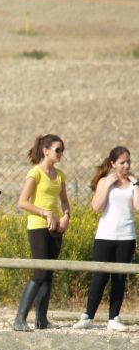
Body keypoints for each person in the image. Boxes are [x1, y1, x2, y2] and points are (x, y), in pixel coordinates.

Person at [72, 146, 138, 331]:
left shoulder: (133, 183)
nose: (126, 165)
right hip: (105, 236)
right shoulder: (104, 181)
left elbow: (138, 206)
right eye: (122, 162)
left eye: (128, 162)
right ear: (113, 164)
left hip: (126, 236)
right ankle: (88, 316)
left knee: (119, 278)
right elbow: (96, 206)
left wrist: (136, 184)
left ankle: (113, 318)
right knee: (99, 276)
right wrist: (108, 184)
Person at [13, 134, 71, 331]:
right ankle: (20, 319)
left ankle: (41, 319)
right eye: (57, 150)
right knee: (39, 273)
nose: (61, 153)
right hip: (38, 225)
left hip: (55, 227)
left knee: (48, 273)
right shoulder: (35, 173)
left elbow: (64, 201)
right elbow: (22, 202)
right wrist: (45, 213)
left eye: (62, 150)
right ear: (46, 151)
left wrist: (66, 215)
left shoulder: (60, 175)